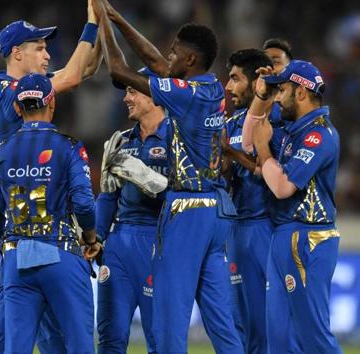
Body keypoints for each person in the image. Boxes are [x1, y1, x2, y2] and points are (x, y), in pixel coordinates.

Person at [94, 1, 244, 352]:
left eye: (175, 53)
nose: (168, 58)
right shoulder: (210, 90)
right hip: (218, 212)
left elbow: (118, 70)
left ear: (190, 61)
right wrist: (118, 17)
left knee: (168, 319)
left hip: (187, 211)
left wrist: (103, 24)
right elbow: (155, 63)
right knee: (222, 324)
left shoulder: (186, 95)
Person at [0, 3, 102, 353]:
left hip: (21, 230)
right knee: (22, 337)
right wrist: (93, 21)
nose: (47, 54)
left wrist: (101, 30)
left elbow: (87, 67)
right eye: (39, 48)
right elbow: (77, 75)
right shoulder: (10, 94)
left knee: (28, 336)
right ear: (16, 53)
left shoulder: (17, 91)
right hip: (32, 229)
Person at [251, 60, 342, 353]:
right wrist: (262, 96)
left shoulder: (318, 135)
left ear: (301, 93)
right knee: (278, 339)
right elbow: (248, 139)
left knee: (313, 336)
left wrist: (265, 150)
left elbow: (282, 187)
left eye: (282, 90)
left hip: (308, 238)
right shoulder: (292, 130)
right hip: (283, 235)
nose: (278, 97)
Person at [95, 68, 168, 354]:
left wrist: (147, 178)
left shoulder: (178, 139)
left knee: (160, 339)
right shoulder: (121, 141)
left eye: (133, 91)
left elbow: (187, 196)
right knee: (110, 339)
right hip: (119, 244)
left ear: (155, 95)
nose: (126, 98)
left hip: (160, 243)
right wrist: (97, 237)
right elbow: (107, 196)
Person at [221, 48, 283, 354]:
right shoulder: (231, 124)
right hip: (234, 229)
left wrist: (232, 155)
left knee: (264, 325)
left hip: (264, 228)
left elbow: (268, 171)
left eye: (235, 79)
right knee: (239, 323)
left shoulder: (276, 121)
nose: (229, 87)